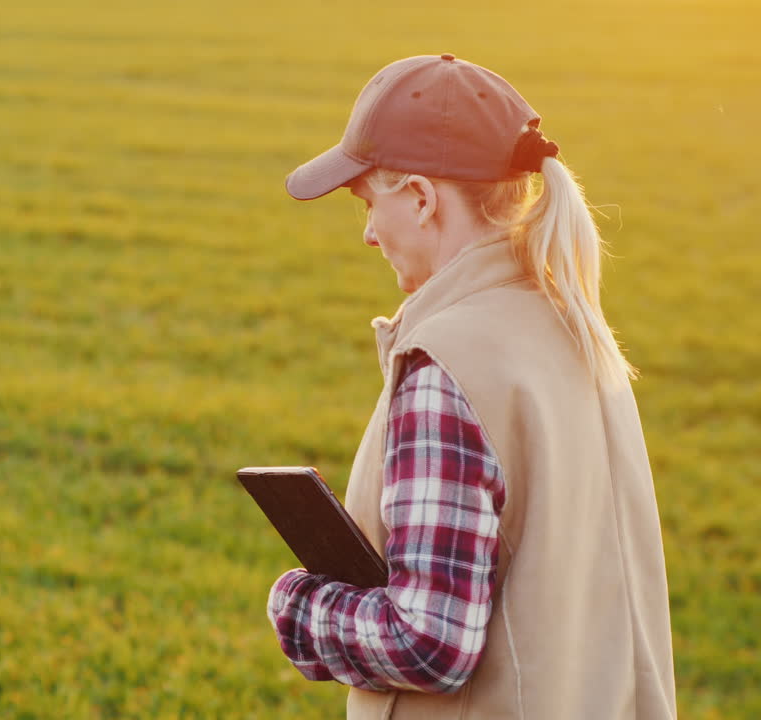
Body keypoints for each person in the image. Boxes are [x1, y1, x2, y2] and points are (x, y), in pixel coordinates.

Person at [265, 54, 677, 719]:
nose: (369, 233)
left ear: (423, 199)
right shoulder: (570, 327)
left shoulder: (449, 367)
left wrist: (295, 604)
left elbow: (426, 641)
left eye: (371, 203)